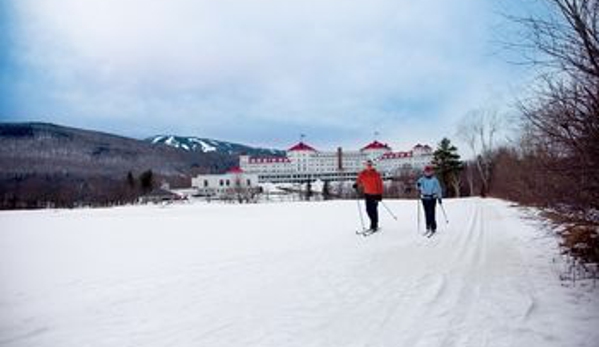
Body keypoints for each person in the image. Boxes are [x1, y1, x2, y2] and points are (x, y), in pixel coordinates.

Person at [353, 160, 384, 232]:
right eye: (367, 165)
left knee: (373, 210)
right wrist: (356, 184)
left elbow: (380, 184)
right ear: (365, 166)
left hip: (375, 194)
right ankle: (373, 223)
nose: (369, 166)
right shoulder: (363, 173)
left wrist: (380, 194)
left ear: (372, 166)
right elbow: (359, 180)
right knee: (368, 210)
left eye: (370, 165)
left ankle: (374, 225)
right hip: (367, 194)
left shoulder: (376, 174)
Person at [416, 165, 443, 235]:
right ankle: (428, 226)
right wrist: (418, 185)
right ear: (424, 172)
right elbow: (417, 186)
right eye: (426, 172)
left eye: (429, 171)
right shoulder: (421, 179)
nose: (427, 173)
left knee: (432, 212)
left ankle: (433, 227)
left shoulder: (435, 180)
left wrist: (439, 198)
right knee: (426, 212)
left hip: (432, 198)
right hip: (424, 198)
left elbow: (438, 189)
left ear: (431, 172)